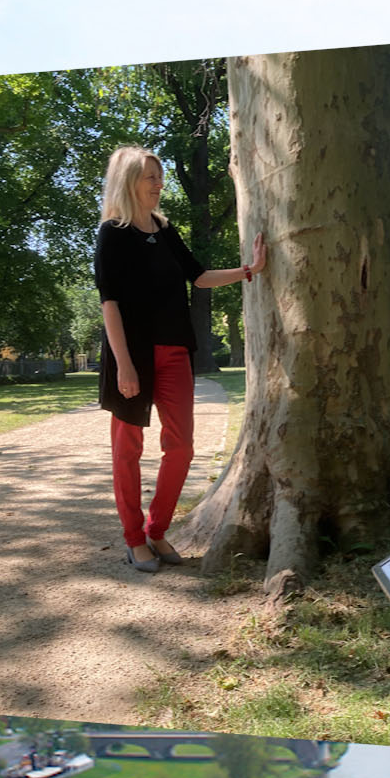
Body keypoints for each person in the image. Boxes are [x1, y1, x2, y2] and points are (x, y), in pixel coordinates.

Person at [95, 146, 265, 572]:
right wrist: (125, 366)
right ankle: (134, 540)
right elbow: (109, 303)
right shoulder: (112, 233)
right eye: (150, 176)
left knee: (182, 447)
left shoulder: (164, 230)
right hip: (130, 355)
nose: (158, 184)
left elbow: (199, 276)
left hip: (174, 351)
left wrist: (249, 271)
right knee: (127, 450)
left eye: (160, 176)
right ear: (128, 180)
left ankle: (157, 531)